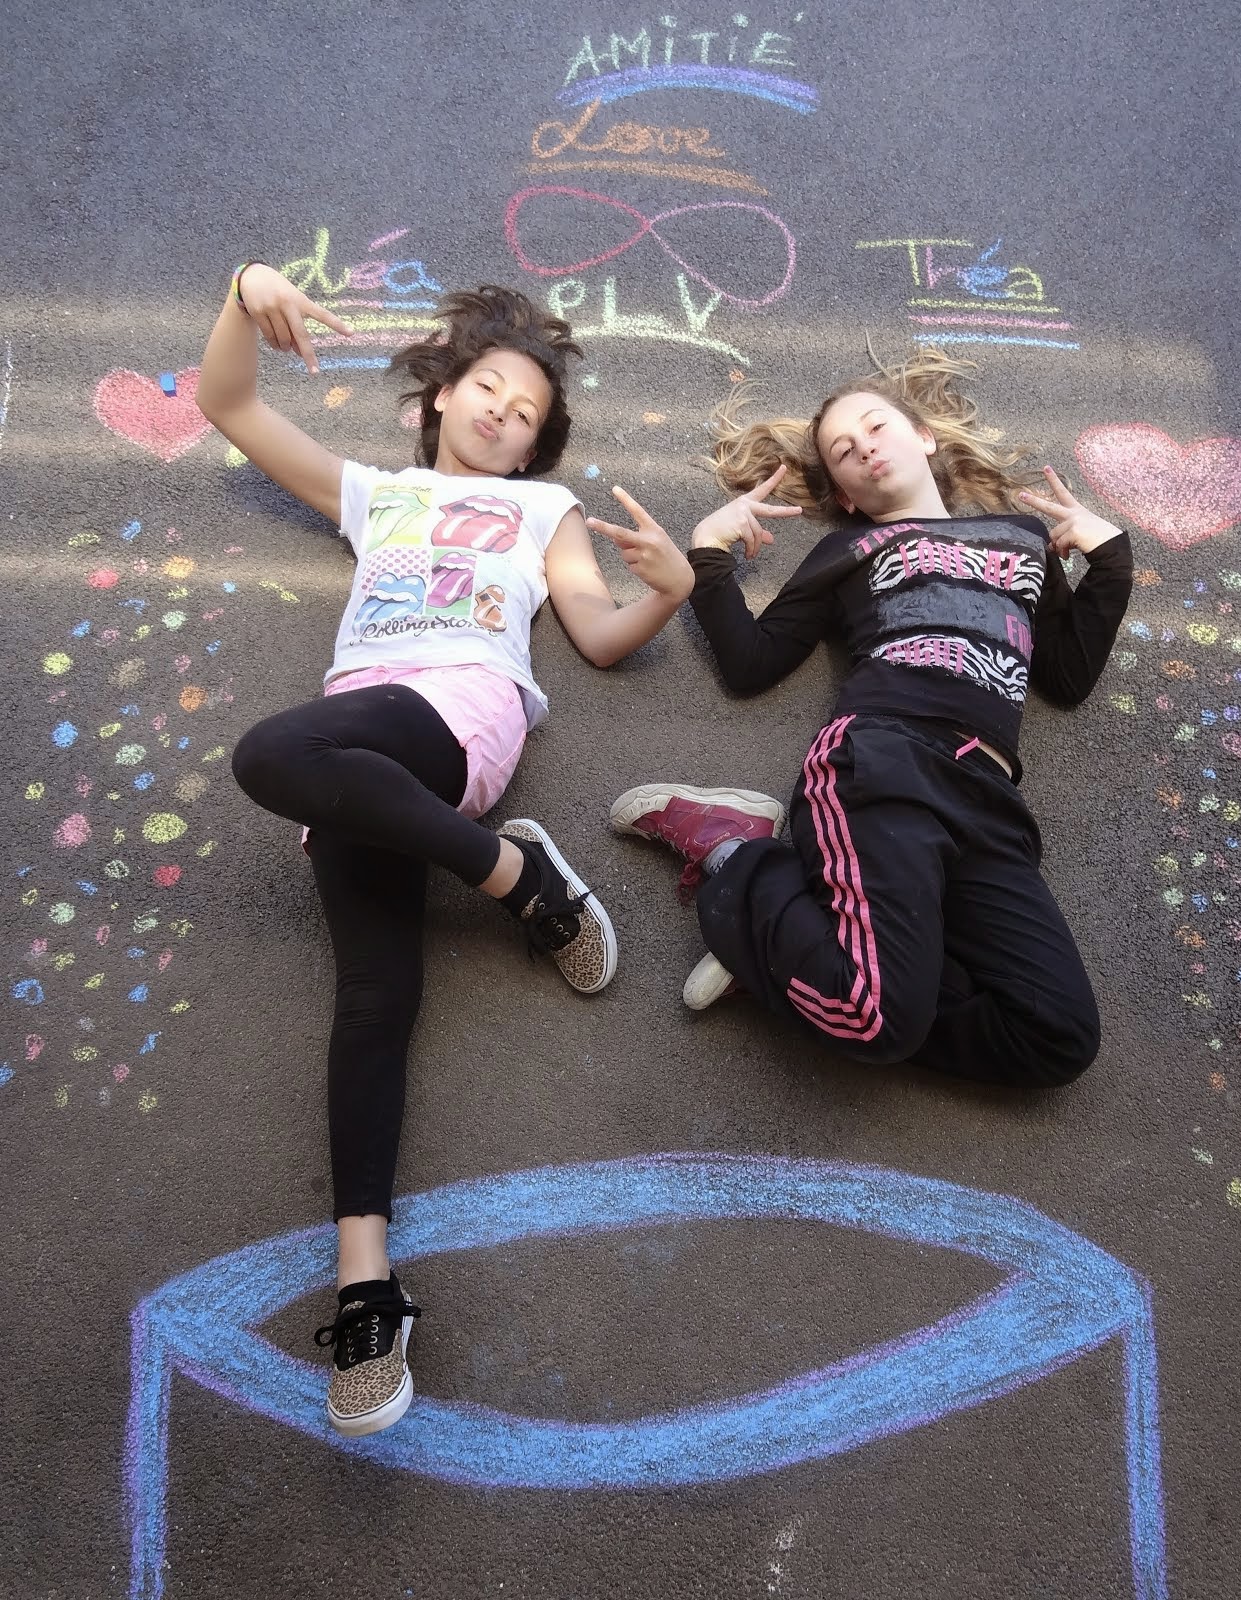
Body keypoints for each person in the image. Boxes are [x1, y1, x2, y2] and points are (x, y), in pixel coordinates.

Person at [196, 262, 695, 1436]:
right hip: (359, 746)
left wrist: (666, 594)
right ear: (437, 398)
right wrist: (242, 293)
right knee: (374, 999)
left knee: (269, 755)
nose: (501, 415)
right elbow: (229, 404)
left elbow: (598, 633)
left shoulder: (539, 510)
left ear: (532, 452)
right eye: (485, 388)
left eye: (524, 414)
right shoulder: (376, 494)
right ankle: (369, 1291)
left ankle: (517, 875)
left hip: (457, 710)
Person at [602, 349, 1133, 1085]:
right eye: (842, 453)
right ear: (845, 495)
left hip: (990, 798)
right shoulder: (846, 549)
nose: (863, 448)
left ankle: (804, 954)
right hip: (886, 763)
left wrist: (1110, 564)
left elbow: (1067, 678)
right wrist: (709, 551)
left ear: (922, 438)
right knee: (874, 1017)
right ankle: (737, 856)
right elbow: (752, 665)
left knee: (1055, 1038)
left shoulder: (1024, 542)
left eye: (875, 427)